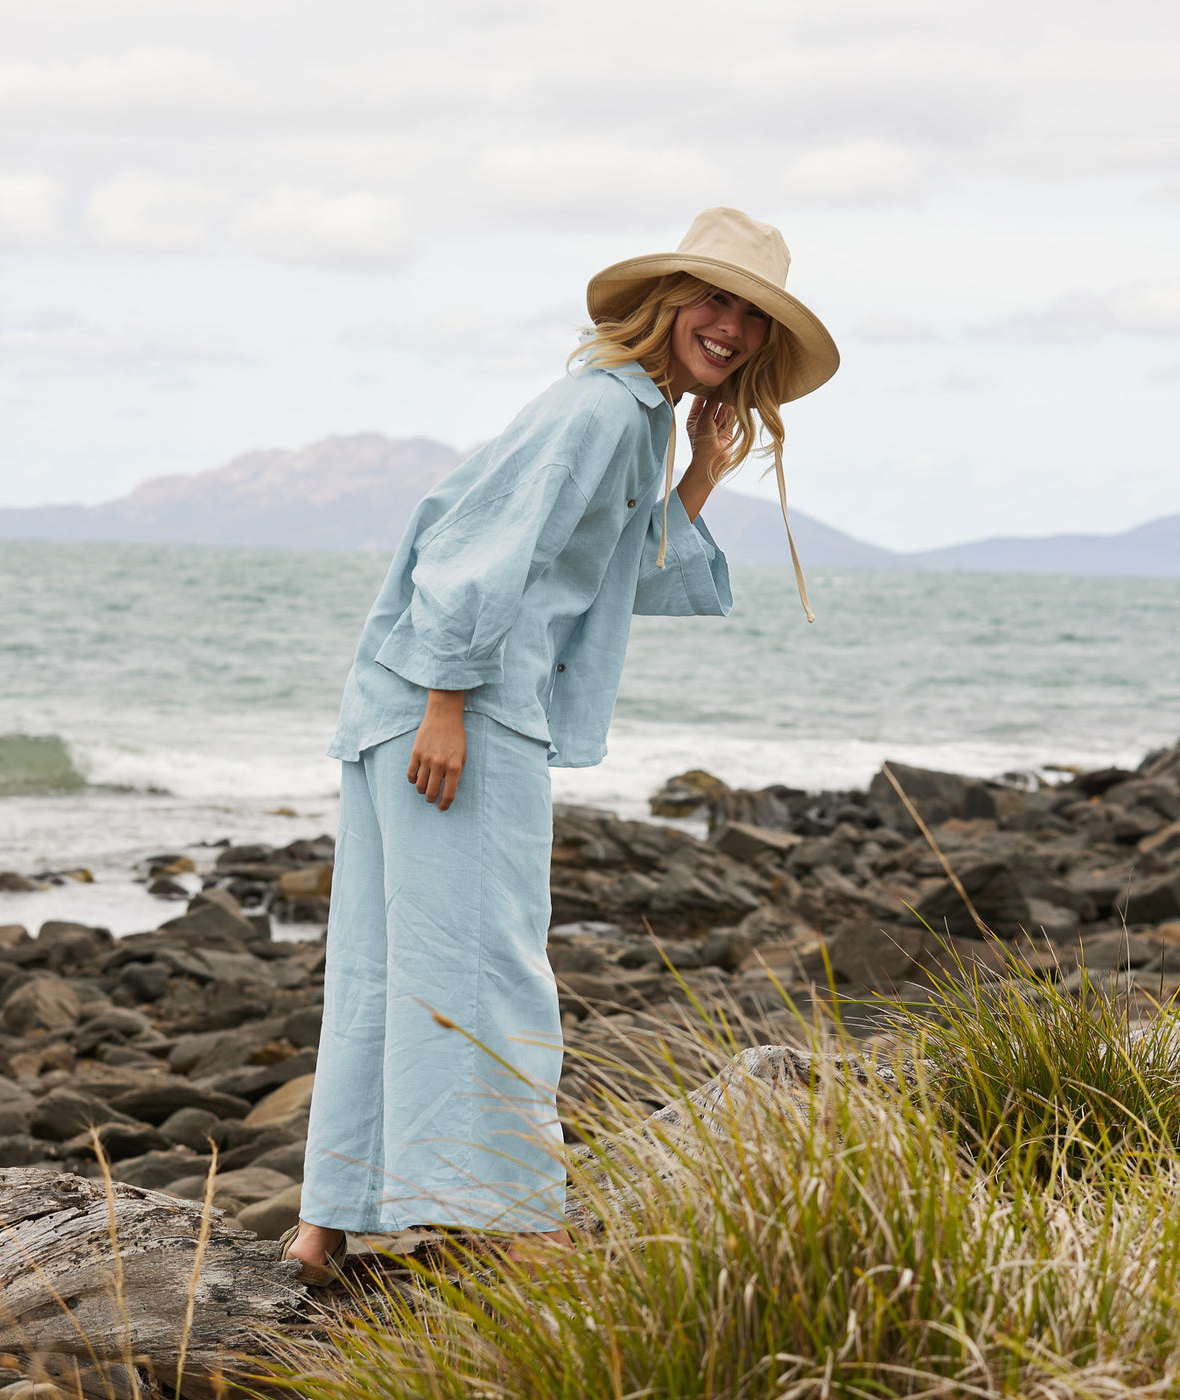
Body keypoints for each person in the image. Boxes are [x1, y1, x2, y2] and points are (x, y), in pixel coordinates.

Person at [282, 207, 839, 1282]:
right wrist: (447, 698)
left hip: (418, 694)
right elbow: (474, 547)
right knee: (487, 961)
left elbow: (600, 580)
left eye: (748, 314)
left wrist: (701, 476)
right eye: (711, 298)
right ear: (666, 299)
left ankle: (325, 1224)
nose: (725, 325)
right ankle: (512, 1218)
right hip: (458, 701)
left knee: (380, 963)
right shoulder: (598, 405)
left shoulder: (637, 419)